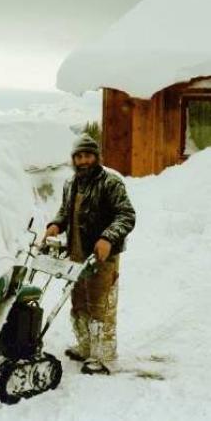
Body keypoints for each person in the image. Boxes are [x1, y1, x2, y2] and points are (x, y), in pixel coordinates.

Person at [43, 133, 136, 375]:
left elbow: (125, 215)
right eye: (79, 156)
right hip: (76, 255)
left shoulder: (110, 183)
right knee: (79, 304)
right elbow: (65, 212)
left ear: (96, 157)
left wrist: (107, 237)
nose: (83, 160)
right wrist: (55, 225)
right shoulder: (71, 183)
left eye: (88, 155)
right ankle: (86, 348)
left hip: (102, 257)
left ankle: (104, 357)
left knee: (100, 306)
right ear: (74, 159)